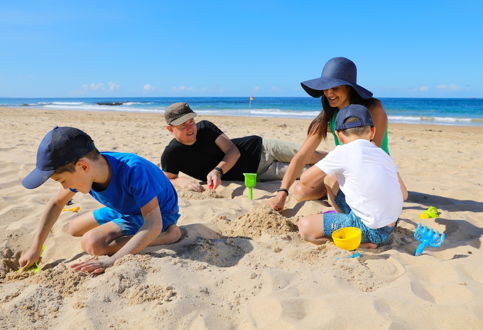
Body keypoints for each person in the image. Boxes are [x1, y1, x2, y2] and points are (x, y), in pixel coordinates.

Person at [19, 126, 181, 273]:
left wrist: (110, 262)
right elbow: (56, 203)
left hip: (159, 213)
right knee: (72, 228)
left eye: (62, 181)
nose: (63, 187)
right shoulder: (88, 170)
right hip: (124, 208)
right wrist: (36, 247)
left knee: (92, 243)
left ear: (83, 166)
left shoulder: (134, 170)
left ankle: (168, 236)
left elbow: (153, 223)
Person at [268, 56, 392, 212]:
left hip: (374, 169)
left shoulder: (373, 109)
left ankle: (340, 197)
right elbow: (301, 156)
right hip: (345, 167)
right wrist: (282, 192)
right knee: (300, 191)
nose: (328, 93)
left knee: (331, 179)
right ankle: (334, 193)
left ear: (349, 88)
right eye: (325, 88)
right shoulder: (329, 116)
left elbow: (370, 153)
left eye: (335, 87)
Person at [297, 104, 408, 247]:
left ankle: (358, 242)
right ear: (372, 132)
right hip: (390, 226)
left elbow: (305, 180)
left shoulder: (342, 152)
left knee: (305, 226)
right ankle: (346, 221)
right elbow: (404, 194)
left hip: (370, 230)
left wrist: (329, 164)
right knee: (330, 179)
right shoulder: (382, 154)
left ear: (338, 135)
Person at [160, 102, 324, 191]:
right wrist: (180, 182)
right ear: (170, 129)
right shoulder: (172, 153)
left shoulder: (205, 128)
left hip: (262, 148)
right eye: (183, 126)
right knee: (310, 172)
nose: (190, 128)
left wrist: (218, 170)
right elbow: (167, 179)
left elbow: (233, 151)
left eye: (191, 122)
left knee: (312, 156)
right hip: (257, 173)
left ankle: (346, 157)